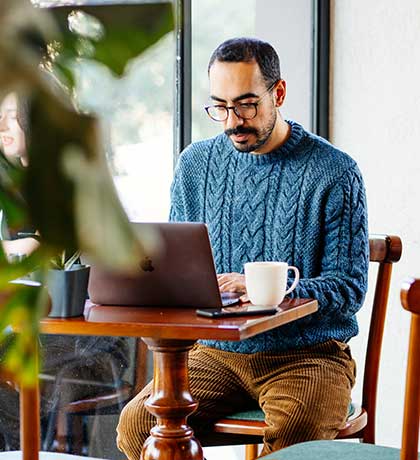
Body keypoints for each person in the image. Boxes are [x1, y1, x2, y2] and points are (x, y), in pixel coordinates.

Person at [116, 37, 369, 458]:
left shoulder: (335, 172)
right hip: (214, 354)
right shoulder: (196, 165)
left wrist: (272, 290)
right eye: (220, 106)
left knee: (296, 434)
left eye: (247, 104)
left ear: (279, 93)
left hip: (307, 356)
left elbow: (348, 290)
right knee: (138, 424)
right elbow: (179, 268)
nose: (233, 120)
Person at [0, 92, 130, 452]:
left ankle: (41, 451)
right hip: (30, 331)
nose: (1, 125)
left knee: (36, 373)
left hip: (86, 338)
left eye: (12, 116)